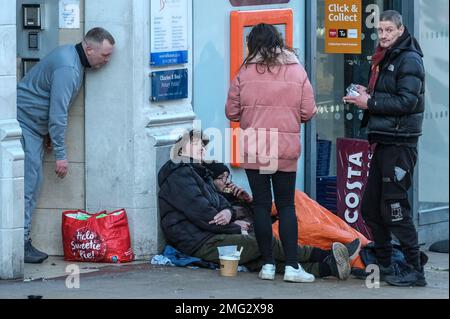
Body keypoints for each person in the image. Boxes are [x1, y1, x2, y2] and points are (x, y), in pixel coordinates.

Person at [158, 130, 358, 282]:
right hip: (198, 241)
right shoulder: (180, 174)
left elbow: (221, 204)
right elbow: (205, 215)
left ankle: (328, 268)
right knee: (260, 243)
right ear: (182, 150)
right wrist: (235, 226)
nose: (202, 147)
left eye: (202, 145)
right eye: (196, 144)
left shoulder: (200, 173)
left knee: (259, 259)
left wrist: (228, 212)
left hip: (210, 235)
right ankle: (324, 255)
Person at [225, 23, 317, 282]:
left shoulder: (244, 72)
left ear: (252, 44)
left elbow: (231, 112)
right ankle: (291, 267)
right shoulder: (297, 70)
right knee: (286, 205)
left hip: (256, 148)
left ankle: (267, 265)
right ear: (278, 41)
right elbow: (308, 111)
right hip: (285, 149)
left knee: (262, 206)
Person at [17, 27, 115, 263]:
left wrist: (48, 134)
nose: (107, 60)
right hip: (24, 123)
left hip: (33, 126)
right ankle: (18, 243)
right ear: (88, 48)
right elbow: (58, 112)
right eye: (104, 55)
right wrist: (61, 153)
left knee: (31, 183)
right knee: (29, 184)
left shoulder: (72, 59)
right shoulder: (69, 68)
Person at [343, 10, 426, 287]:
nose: (384, 35)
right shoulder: (383, 57)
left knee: (395, 207)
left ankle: (415, 270)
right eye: (380, 30)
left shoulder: (409, 59)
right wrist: (364, 96)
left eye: (389, 30)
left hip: (400, 144)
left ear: (401, 30)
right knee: (369, 207)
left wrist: (370, 102)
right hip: (384, 140)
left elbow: (407, 102)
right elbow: (388, 96)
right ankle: (386, 263)